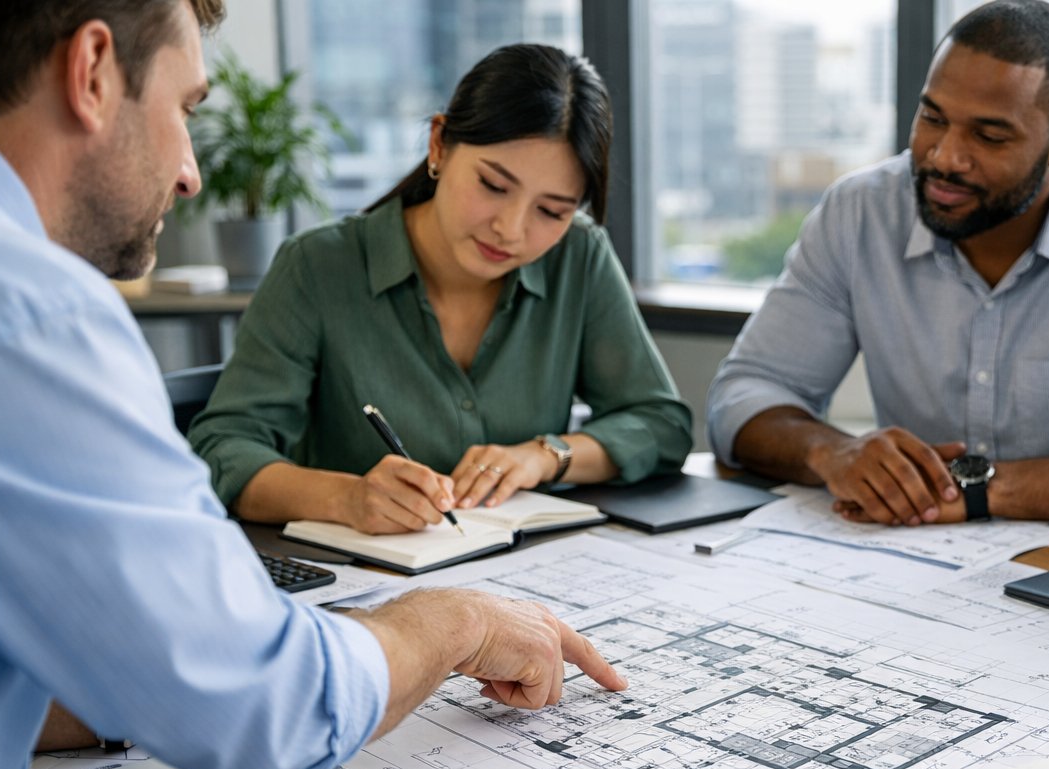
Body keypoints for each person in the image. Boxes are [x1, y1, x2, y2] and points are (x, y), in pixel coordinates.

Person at [0, 0, 627, 769]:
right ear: (92, 71)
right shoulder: (32, 314)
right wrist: (449, 622)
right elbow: (262, 703)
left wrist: (127, 680)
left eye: (550, 208)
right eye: (189, 107)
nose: (193, 169)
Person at [705, 0, 1049, 528]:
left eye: (988, 136)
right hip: (903, 563)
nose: (944, 156)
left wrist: (978, 490)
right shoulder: (859, 211)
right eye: (932, 119)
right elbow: (743, 396)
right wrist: (832, 453)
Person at [189, 44, 691, 535]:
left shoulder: (578, 257)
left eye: (552, 211)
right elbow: (224, 449)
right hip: (364, 586)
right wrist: (346, 498)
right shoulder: (318, 267)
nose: (511, 230)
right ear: (439, 145)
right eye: (493, 185)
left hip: (533, 576)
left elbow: (661, 424)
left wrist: (545, 457)